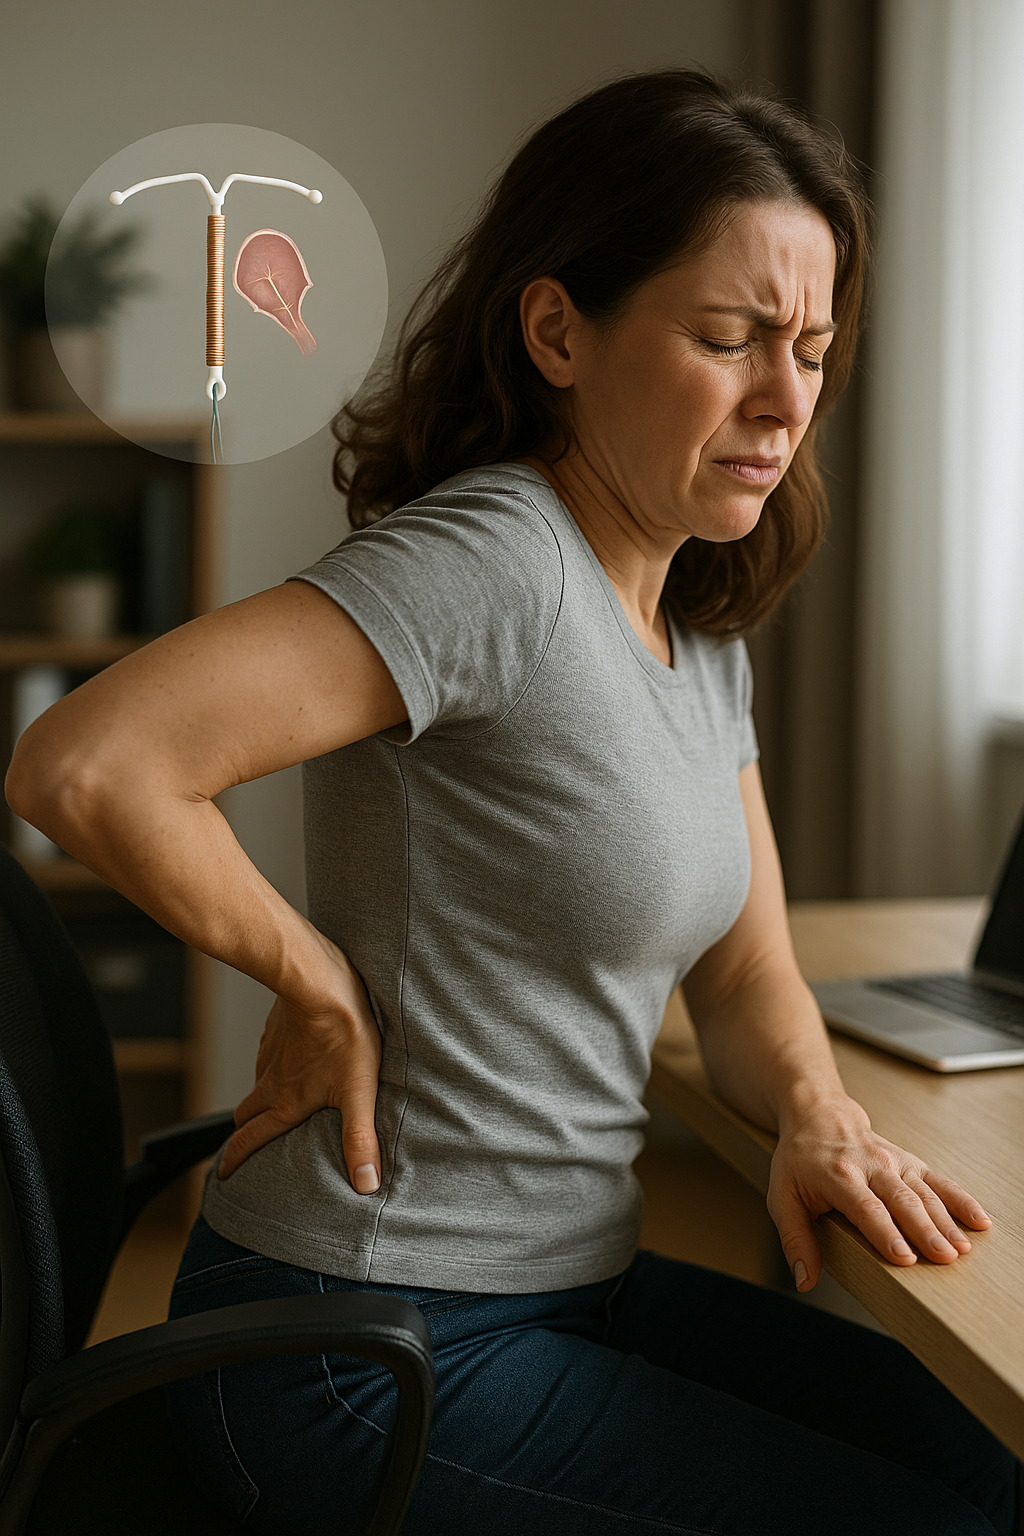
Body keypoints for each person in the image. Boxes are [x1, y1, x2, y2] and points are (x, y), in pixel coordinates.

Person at [7, 69, 1017, 1536]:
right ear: (558, 331)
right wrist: (314, 979)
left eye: (809, 346)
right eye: (729, 338)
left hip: (557, 1291)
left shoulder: (695, 619)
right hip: (356, 1340)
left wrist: (816, 1111)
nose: (787, 398)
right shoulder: (492, 562)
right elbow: (86, 764)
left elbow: (748, 977)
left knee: (988, 1462)